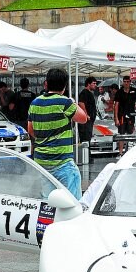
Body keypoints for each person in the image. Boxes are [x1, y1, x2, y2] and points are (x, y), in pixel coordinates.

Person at [28, 68, 88, 200]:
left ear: (46, 84)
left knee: (47, 203)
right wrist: (72, 101)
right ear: (65, 86)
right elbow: (83, 118)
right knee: (72, 203)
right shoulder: (65, 103)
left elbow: (31, 130)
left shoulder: (34, 103)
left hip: (41, 161)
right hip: (62, 161)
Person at [114, 76, 136, 157]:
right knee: (121, 133)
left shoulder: (134, 90)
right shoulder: (119, 92)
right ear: (123, 82)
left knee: (130, 131)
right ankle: (120, 152)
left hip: (131, 115)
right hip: (121, 115)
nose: (126, 83)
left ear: (130, 82)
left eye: (127, 82)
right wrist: (116, 118)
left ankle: (129, 149)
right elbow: (116, 105)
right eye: (125, 81)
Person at [77, 77, 98, 150]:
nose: (95, 85)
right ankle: (85, 156)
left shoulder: (89, 93)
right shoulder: (84, 92)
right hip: (85, 121)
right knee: (85, 139)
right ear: (88, 84)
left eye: (96, 83)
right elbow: (81, 103)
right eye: (94, 83)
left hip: (89, 121)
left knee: (88, 138)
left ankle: (87, 155)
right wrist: (86, 115)